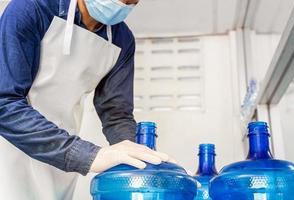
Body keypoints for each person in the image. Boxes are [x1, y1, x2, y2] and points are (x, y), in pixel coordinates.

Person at [0, 0, 172, 199]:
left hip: (61, 159)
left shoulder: (122, 41)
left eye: (131, 1)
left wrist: (144, 163)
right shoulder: (31, 9)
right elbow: (5, 103)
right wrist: (89, 155)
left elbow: (116, 115)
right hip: (10, 149)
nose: (124, 5)